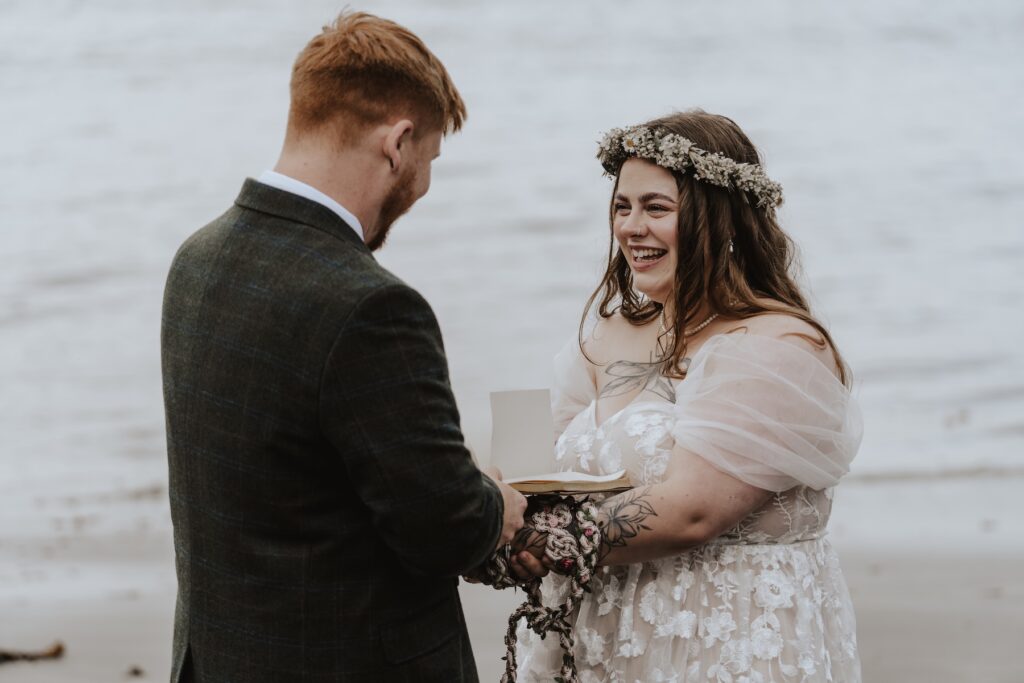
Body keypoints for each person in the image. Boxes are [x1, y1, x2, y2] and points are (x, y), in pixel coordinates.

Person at [160, 12, 526, 682]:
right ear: (398, 141)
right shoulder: (372, 306)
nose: (422, 184)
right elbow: (442, 524)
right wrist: (497, 501)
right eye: (430, 160)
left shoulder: (196, 260)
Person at [499, 110, 862, 682]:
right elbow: (537, 463)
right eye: (623, 206)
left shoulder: (778, 346)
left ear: (720, 221)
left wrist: (555, 541)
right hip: (602, 636)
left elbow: (694, 509)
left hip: (721, 636)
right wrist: (493, 514)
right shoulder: (603, 339)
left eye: (656, 208)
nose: (631, 228)